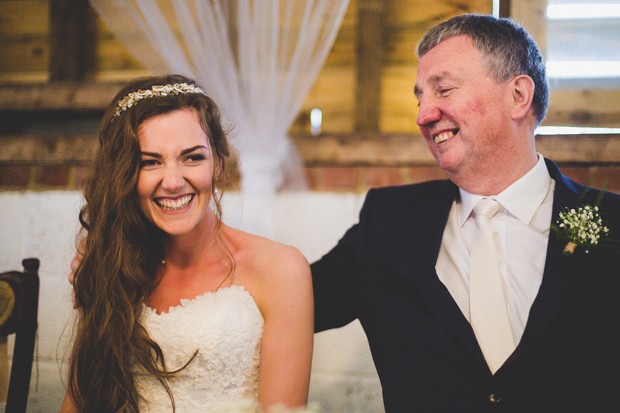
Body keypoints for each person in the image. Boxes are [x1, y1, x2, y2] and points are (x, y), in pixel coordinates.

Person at [311, 14, 620, 412]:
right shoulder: (388, 223)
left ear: (518, 96)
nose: (423, 114)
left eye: (443, 90)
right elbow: (290, 301)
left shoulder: (612, 223)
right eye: (420, 97)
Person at [61, 74, 313, 413]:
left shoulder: (280, 269)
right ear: (123, 174)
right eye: (150, 162)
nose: (174, 182)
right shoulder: (111, 263)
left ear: (218, 163)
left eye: (192, 157)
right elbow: (78, 402)